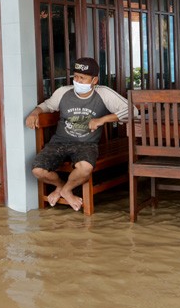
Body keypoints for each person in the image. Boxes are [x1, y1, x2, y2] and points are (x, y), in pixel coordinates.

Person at [25, 57, 130, 211]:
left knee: (85, 168)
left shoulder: (104, 93)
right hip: (59, 142)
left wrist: (103, 119)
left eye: (83, 78)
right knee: (37, 170)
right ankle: (61, 186)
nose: (78, 81)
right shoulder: (63, 92)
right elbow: (47, 105)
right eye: (76, 77)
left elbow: (131, 110)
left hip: (86, 144)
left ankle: (66, 190)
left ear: (94, 80)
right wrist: (35, 112)